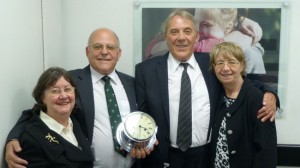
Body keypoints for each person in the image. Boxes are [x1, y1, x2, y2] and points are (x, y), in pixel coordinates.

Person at [135, 10, 277, 168]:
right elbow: (141, 114)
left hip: (206, 157)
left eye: (187, 31)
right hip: (164, 158)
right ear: (166, 37)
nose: (181, 37)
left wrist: (269, 93)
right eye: (174, 32)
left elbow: (240, 81)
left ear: (196, 37)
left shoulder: (211, 64)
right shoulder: (146, 71)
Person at [5, 28, 150, 168]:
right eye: (98, 46)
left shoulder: (132, 83)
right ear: (87, 52)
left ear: (119, 53)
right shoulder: (70, 82)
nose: (104, 52)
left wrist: (147, 141)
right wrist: (13, 137)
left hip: (132, 164)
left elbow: (143, 118)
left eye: (110, 47)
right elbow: (37, 112)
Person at [209, 41, 277, 167]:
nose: (225, 68)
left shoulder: (257, 98)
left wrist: (271, 93)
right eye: (219, 63)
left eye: (232, 62)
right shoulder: (215, 94)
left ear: (242, 65)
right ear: (214, 68)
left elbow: (266, 152)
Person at [10, 67, 94, 167]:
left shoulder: (75, 120)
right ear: (42, 97)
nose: (63, 96)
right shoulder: (31, 139)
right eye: (55, 91)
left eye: (67, 89)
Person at [194, 8, 266, 74]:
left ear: (227, 28)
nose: (197, 29)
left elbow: (256, 85)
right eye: (195, 22)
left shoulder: (248, 55)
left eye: (206, 24)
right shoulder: (197, 41)